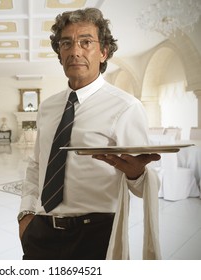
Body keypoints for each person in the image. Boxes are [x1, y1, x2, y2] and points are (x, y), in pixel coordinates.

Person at [18, 8, 161, 260]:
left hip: (97, 236)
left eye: (86, 42)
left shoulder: (126, 107)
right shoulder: (47, 107)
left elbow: (143, 186)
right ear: (59, 54)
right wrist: (26, 215)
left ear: (103, 52)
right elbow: (36, 165)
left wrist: (136, 173)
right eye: (66, 43)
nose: (75, 51)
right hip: (41, 233)